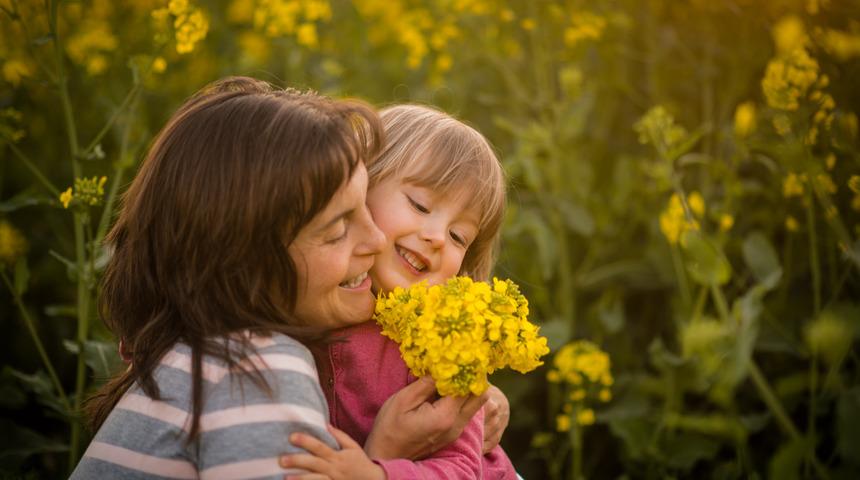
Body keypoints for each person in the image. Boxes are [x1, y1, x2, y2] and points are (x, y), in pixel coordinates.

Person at [71, 78, 485, 479]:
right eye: (338, 227)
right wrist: (382, 457)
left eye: (364, 207)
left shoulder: (191, 357)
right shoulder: (260, 373)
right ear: (248, 259)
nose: (377, 240)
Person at [282, 104, 517, 479]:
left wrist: (377, 475)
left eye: (459, 236)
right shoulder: (306, 292)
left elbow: (461, 469)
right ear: (358, 186)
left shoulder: (437, 345)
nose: (437, 237)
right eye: (419, 205)